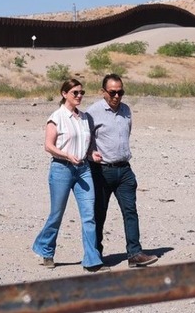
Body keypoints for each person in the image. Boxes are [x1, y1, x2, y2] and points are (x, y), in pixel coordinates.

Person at [32, 79, 109, 272]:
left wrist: (91, 154)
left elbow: (86, 144)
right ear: (64, 93)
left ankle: (92, 260)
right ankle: (46, 249)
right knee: (57, 214)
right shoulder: (56, 117)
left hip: (83, 170)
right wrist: (66, 155)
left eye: (81, 92)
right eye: (75, 92)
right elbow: (48, 146)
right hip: (62, 169)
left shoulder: (85, 118)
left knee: (89, 215)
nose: (79, 96)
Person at [88, 74, 159, 268]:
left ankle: (134, 254)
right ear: (103, 91)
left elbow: (127, 133)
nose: (117, 96)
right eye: (113, 92)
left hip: (124, 170)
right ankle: (95, 255)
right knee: (99, 214)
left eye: (121, 92)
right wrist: (90, 153)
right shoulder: (92, 112)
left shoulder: (126, 110)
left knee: (130, 211)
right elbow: (85, 139)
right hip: (102, 171)